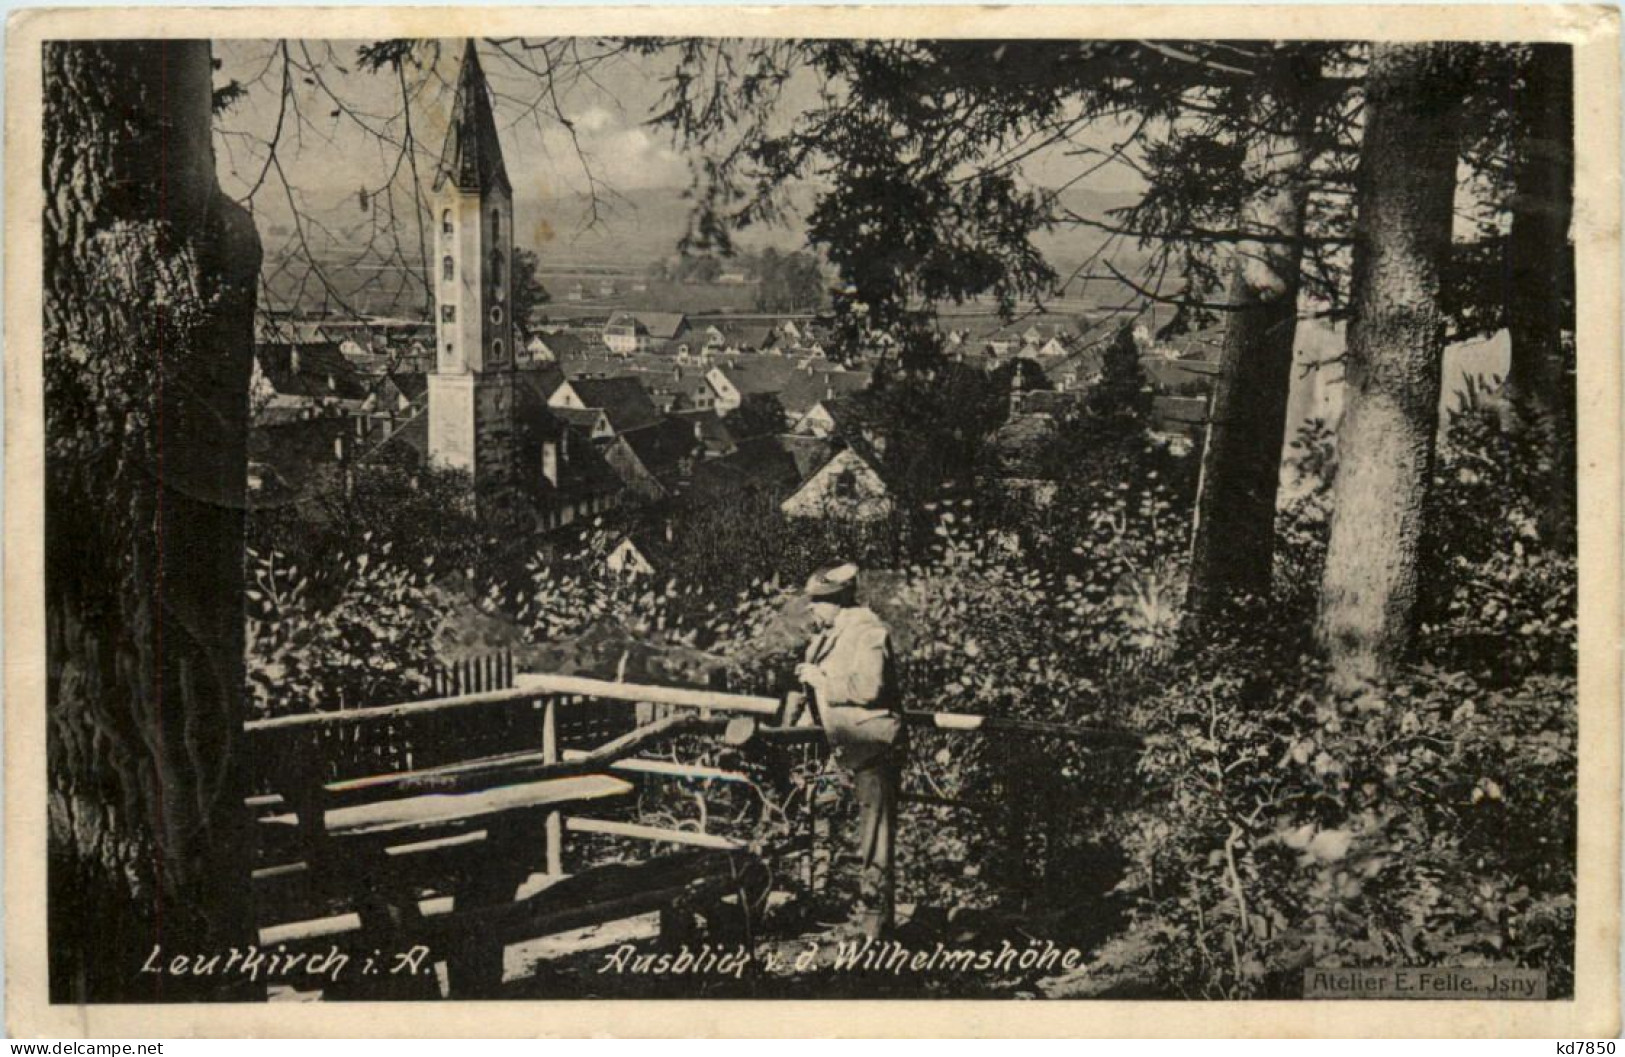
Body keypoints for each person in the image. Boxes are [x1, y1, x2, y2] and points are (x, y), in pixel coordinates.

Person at [794, 561, 904, 939]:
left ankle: (877, 929)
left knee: (875, 840)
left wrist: (824, 681)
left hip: (871, 746)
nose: (812, 609)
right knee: (841, 830)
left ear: (837, 601)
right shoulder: (829, 633)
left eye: (818, 602)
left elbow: (870, 688)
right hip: (843, 748)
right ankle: (851, 911)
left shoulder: (868, 630)